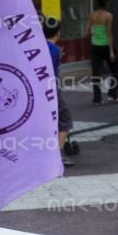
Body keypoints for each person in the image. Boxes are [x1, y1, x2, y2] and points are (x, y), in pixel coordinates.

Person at [45, 20, 75, 167]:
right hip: (51, 88)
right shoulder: (55, 50)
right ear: (58, 33)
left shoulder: (38, 46)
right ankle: (59, 152)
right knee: (64, 118)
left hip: (39, 89)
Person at [88, 0, 118, 105]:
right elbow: (109, 34)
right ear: (106, 3)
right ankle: (113, 95)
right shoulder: (108, 16)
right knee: (115, 71)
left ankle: (97, 99)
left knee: (96, 73)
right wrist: (111, 51)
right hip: (106, 46)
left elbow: (87, 32)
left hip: (95, 46)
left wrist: (94, 33)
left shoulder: (92, 15)